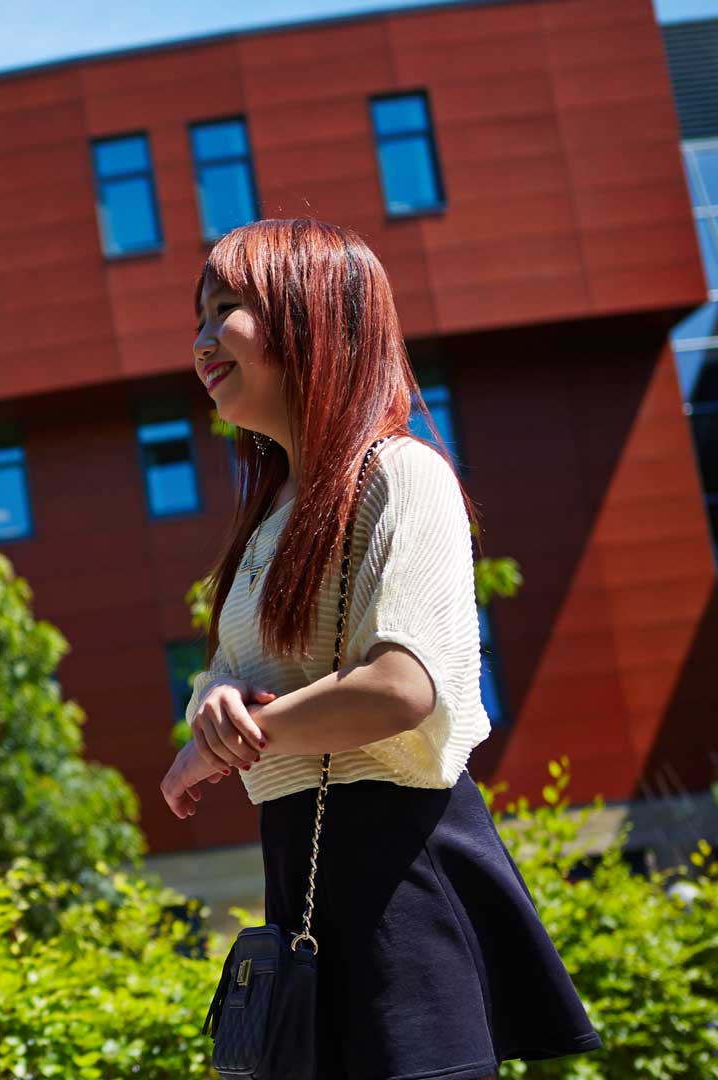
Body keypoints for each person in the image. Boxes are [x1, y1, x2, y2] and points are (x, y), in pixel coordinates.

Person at [160, 219, 601, 1080]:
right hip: (304, 877)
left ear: (310, 317)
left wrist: (227, 740)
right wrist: (209, 708)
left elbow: (401, 686)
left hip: (399, 873)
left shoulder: (402, 474)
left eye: (226, 310)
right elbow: (234, 677)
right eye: (199, 318)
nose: (202, 341)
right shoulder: (269, 520)